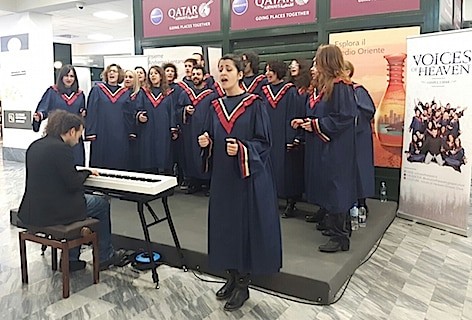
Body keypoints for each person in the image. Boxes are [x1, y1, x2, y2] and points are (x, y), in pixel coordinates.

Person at [198, 54, 281, 311]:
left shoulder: (255, 105)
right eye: (220, 69)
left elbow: (265, 143)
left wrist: (243, 149)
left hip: (247, 179)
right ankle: (231, 277)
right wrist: (206, 143)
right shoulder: (215, 105)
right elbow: (211, 135)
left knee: (244, 227)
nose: (223, 73)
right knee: (225, 227)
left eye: (228, 69)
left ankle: (243, 284)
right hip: (223, 179)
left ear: (240, 74)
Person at [18, 110, 125, 271]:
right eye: (79, 135)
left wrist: (79, 173)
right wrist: (87, 172)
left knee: (82, 202)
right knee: (101, 203)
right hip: (54, 211)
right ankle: (105, 256)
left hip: (32, 209)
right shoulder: (61, 149)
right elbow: (73, 183)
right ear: (71, 131)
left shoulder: (36, 145)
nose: (78, 140)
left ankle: (72, 259)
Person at [292, 44, 358, 252]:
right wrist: (307, 123)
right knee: (331, 187)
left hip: (338, 148)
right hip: (328, 145)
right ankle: (335, 229)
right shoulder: (328, 86)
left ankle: (340, 238)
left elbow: (343, 118)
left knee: (337, 187)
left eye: (318, 59)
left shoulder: (341, 87)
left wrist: (315, 125)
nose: (315, 64)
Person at [262, 60, 304, 218]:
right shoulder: (264, 90)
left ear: (278, 71)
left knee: (286, 170)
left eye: (270, 70)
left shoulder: (290, 91)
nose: (267, 74)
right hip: (268, 135)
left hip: (283, 136)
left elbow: (293, 114)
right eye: (266, 70)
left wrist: (292, 138)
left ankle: (290, 203)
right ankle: (271, 199)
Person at [32, 65, 86, 166]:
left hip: (73, 134)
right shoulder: (53, 92)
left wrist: (83, 114)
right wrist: (39, 116)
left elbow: (82, 112)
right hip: (57, 132)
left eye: (72, 76)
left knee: (75, 162)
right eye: (66, 76)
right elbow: (44, 108)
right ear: (61, 77)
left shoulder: (80, 95)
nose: (69, 79)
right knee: (57, 163)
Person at [85, 63, 131, 170]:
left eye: (114, 71)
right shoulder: (97, 90)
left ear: (119, 75)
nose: (111, 73)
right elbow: (91, 111)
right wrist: (90, 132)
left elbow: (129, 114)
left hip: (120, 133)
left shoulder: (125, 93)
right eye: (109, 71)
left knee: (118, 161)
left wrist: (131, 132)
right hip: (102, 132)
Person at [178, 66, 216, 194]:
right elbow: (177, 110)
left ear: (204, 76)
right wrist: (184, 110)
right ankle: (194, 183)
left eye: (198, 74)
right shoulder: (185, 94)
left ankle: (208, 183)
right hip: (190, 130)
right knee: (191, 154)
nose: (195, 76)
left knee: (205, 155)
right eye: (193, 74)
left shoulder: (211, 95)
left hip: (205, 129)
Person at [345, 60, 375, 216]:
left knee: (360, 168)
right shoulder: (338, 89)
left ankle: (362, 202)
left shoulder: (358, 90)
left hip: (359, 136)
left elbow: (368, 110)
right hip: (345, 137)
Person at [135, 65, 178, 173]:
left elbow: (172, 111)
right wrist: (140, 116)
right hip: (148, 130)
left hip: (163, 130)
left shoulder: (168, 93)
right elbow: (138, 108)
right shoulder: (143, 92)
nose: (153, 75)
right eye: (151, 73)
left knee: (164, 155)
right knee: (149, 156)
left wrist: (173, 128)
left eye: (155, 73)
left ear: (161, 76)